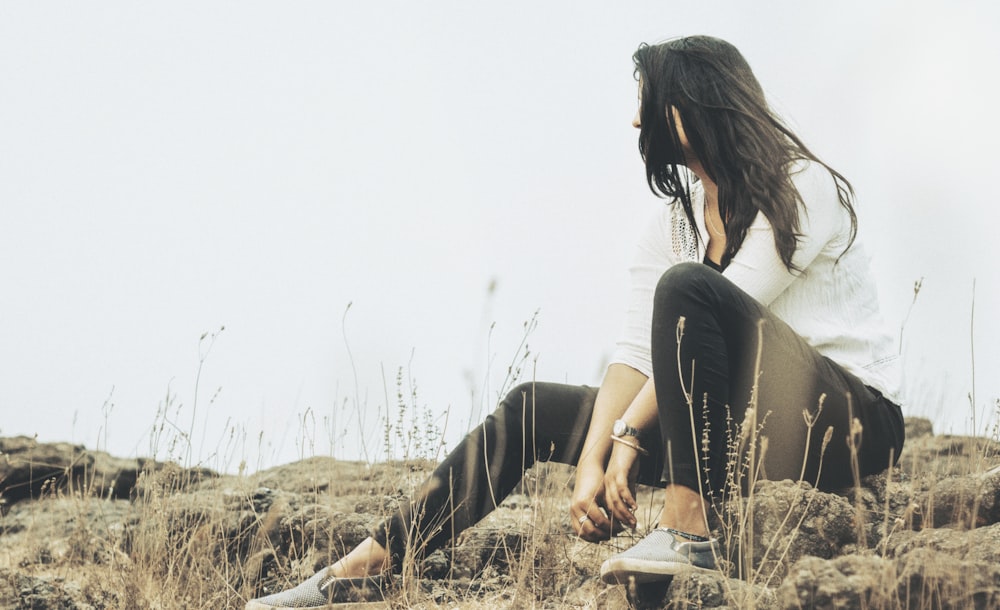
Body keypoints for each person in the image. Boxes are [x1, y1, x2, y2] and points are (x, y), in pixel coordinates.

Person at [245, 35, 904, 609]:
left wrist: (628, 439)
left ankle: (689, 529)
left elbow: (730, 300)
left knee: (691, 290)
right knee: (533, 408)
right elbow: (632, 357)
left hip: (844, 422)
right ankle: (363, 568)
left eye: (649, 101)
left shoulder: (801, 186)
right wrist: (593, 464)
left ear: (691, 107)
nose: (635, 120)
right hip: (737, 429)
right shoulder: (672, 225)